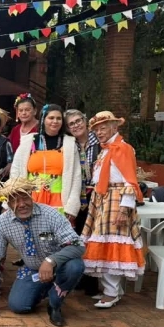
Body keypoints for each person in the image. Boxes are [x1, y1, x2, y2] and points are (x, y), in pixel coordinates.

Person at [0, 178, 85, 327]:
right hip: (33, 269)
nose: (22, 204)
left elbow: (78, 245)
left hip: (60, 266)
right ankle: (48, 286)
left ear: (31, 195)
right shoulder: (1, 224)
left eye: (25, 197)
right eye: (15, 200)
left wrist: (51, 261)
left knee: (75, 266)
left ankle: (55, 303)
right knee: (18, 305)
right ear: (7, 202)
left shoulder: (51, 214)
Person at [81, 111, 145, 309]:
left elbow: (130, 180)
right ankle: (112, 290)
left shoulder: (122, 148)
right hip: (104, 199)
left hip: (116, 199)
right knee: (105, 243)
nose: (99, 132)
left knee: (111, 245)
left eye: (103, 128)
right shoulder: (107, 149)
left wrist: (124, 208)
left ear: (114, 127)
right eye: (96, 130)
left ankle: (111, 293)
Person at [11, 104, 81, 221]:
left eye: (59, 118)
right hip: (31, 199)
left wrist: (72, 207)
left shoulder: (69, 144)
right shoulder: (29, 141)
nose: (55, 121)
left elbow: (76, 177)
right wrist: (15, 200)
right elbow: (16, 171)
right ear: (43, 119)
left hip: (59, 201)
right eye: (51, 118)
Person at [65, 109, 101, 297]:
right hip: (76, 197)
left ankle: (92, 283)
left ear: (85, 121)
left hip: (96, 197)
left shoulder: (99, 141)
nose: (76, 125)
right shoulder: (69, 144)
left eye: (78, 121)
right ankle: (79, 278)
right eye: (71, 123)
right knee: (77, 237)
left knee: (93, 239)